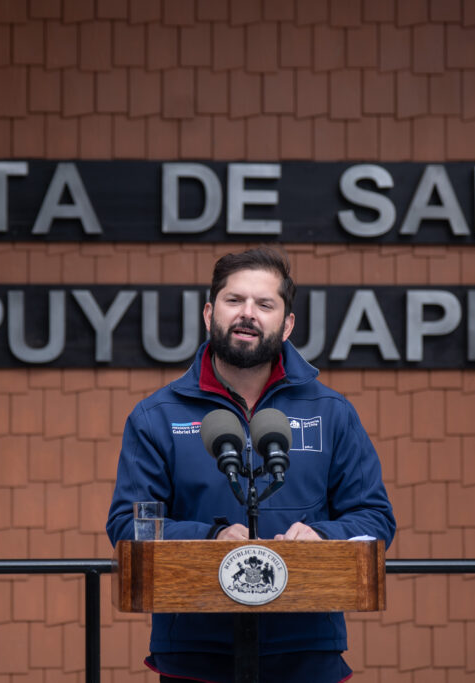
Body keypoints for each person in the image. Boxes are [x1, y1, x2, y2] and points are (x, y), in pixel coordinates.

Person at [106, 247, 396, 683]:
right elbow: (128, 525)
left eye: (265, 304)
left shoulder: (333, 412)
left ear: (288, 323)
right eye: (234, 300)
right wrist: (211, 537)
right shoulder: (156, 416)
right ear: (209, 313)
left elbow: (375, 518)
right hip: (196, 655)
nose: (248, 314)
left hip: (307, 651)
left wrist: (321, 534)